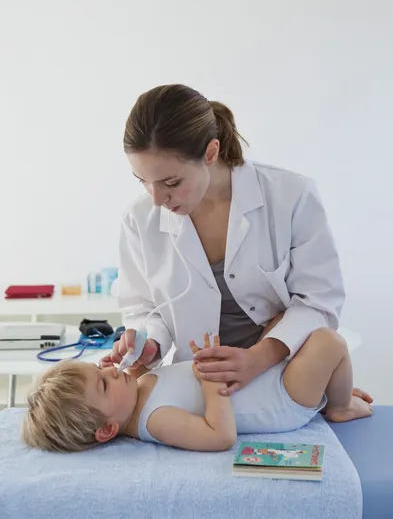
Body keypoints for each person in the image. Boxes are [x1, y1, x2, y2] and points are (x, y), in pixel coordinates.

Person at [101, 83, 348, 396]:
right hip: (200, 383)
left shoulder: (291, 196)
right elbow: (145, 309)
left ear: (211, 152)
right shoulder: (138, 220)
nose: (157, 200)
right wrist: (149, 343)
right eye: (144, 182)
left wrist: (257, 358)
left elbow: (319, 302)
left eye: (172, 182)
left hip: (286, 371)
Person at [21, 325, 372, 453]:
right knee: (328, 342)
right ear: (107, 429)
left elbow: (154, 376)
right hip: (280, 400)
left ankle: (333, 391)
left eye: (101, 368)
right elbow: (220, 436)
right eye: (103, 383)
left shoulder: (135, 392)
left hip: (265, 379)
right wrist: (210, 383)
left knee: (289, 326)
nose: (112, 372)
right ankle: (338, 406)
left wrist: (139, 349)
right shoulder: (155, 421)